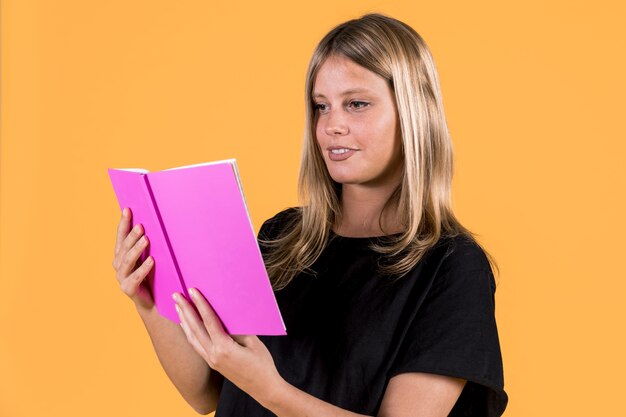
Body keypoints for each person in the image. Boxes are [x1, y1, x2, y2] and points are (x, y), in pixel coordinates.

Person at [111, 12, 508, 417]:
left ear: (413, 112)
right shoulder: (281, 238)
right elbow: (206, 393)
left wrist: (270, 389)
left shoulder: (451, 267)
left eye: (356, 104)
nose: (332, 125)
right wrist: (147, 299)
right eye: (321, 107)